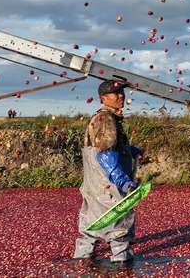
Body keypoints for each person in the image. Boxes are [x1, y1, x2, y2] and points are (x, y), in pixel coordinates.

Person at [73, 79, 144, 264]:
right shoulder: (105, 118)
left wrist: (129, 150)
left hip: (94, 183)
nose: (121, 95)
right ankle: (122, 263)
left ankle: (82, 261)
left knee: (92, 221)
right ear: (103, 98)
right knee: (119, 219)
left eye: (122, 92)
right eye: (116, 93)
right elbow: (105, 153)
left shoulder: (106, 117)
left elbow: (106, 146)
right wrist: (120, 179)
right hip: (107, 182)